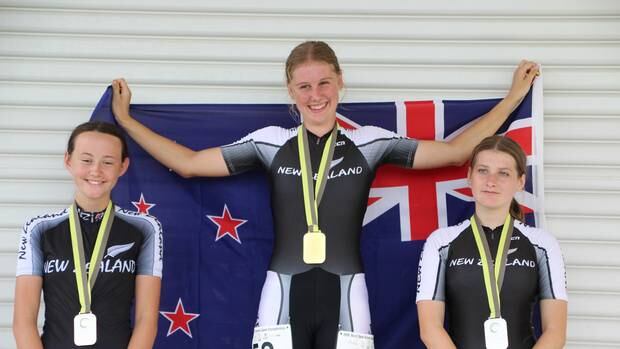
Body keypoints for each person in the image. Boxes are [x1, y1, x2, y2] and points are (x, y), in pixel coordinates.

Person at [110, 41, 538, 348]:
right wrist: (126, 122)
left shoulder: (370, 142)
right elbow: (188, 163)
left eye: (324, 83)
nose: (316, 95)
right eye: (304, 86)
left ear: (340, 83)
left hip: (348, 289)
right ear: (290, 92)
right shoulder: (270, 142)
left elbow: (456, 152)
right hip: (281, 289)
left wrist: (513, 99)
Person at [13, 121, 163, 349]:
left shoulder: (145, 228)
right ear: (68, 161)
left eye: (108, 162)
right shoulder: (39, 228)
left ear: (123, 167)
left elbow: (147, 319)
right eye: (86, 160)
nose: (96, 170)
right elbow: (23, 322)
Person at [416, 135, 568, 349]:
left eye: (503, 173)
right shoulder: (440, 242)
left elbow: (555, 332)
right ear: (469, 176)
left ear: (520, 181)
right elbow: (430, 329)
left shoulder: (543, 244)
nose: (491, 181)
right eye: (482, 170)